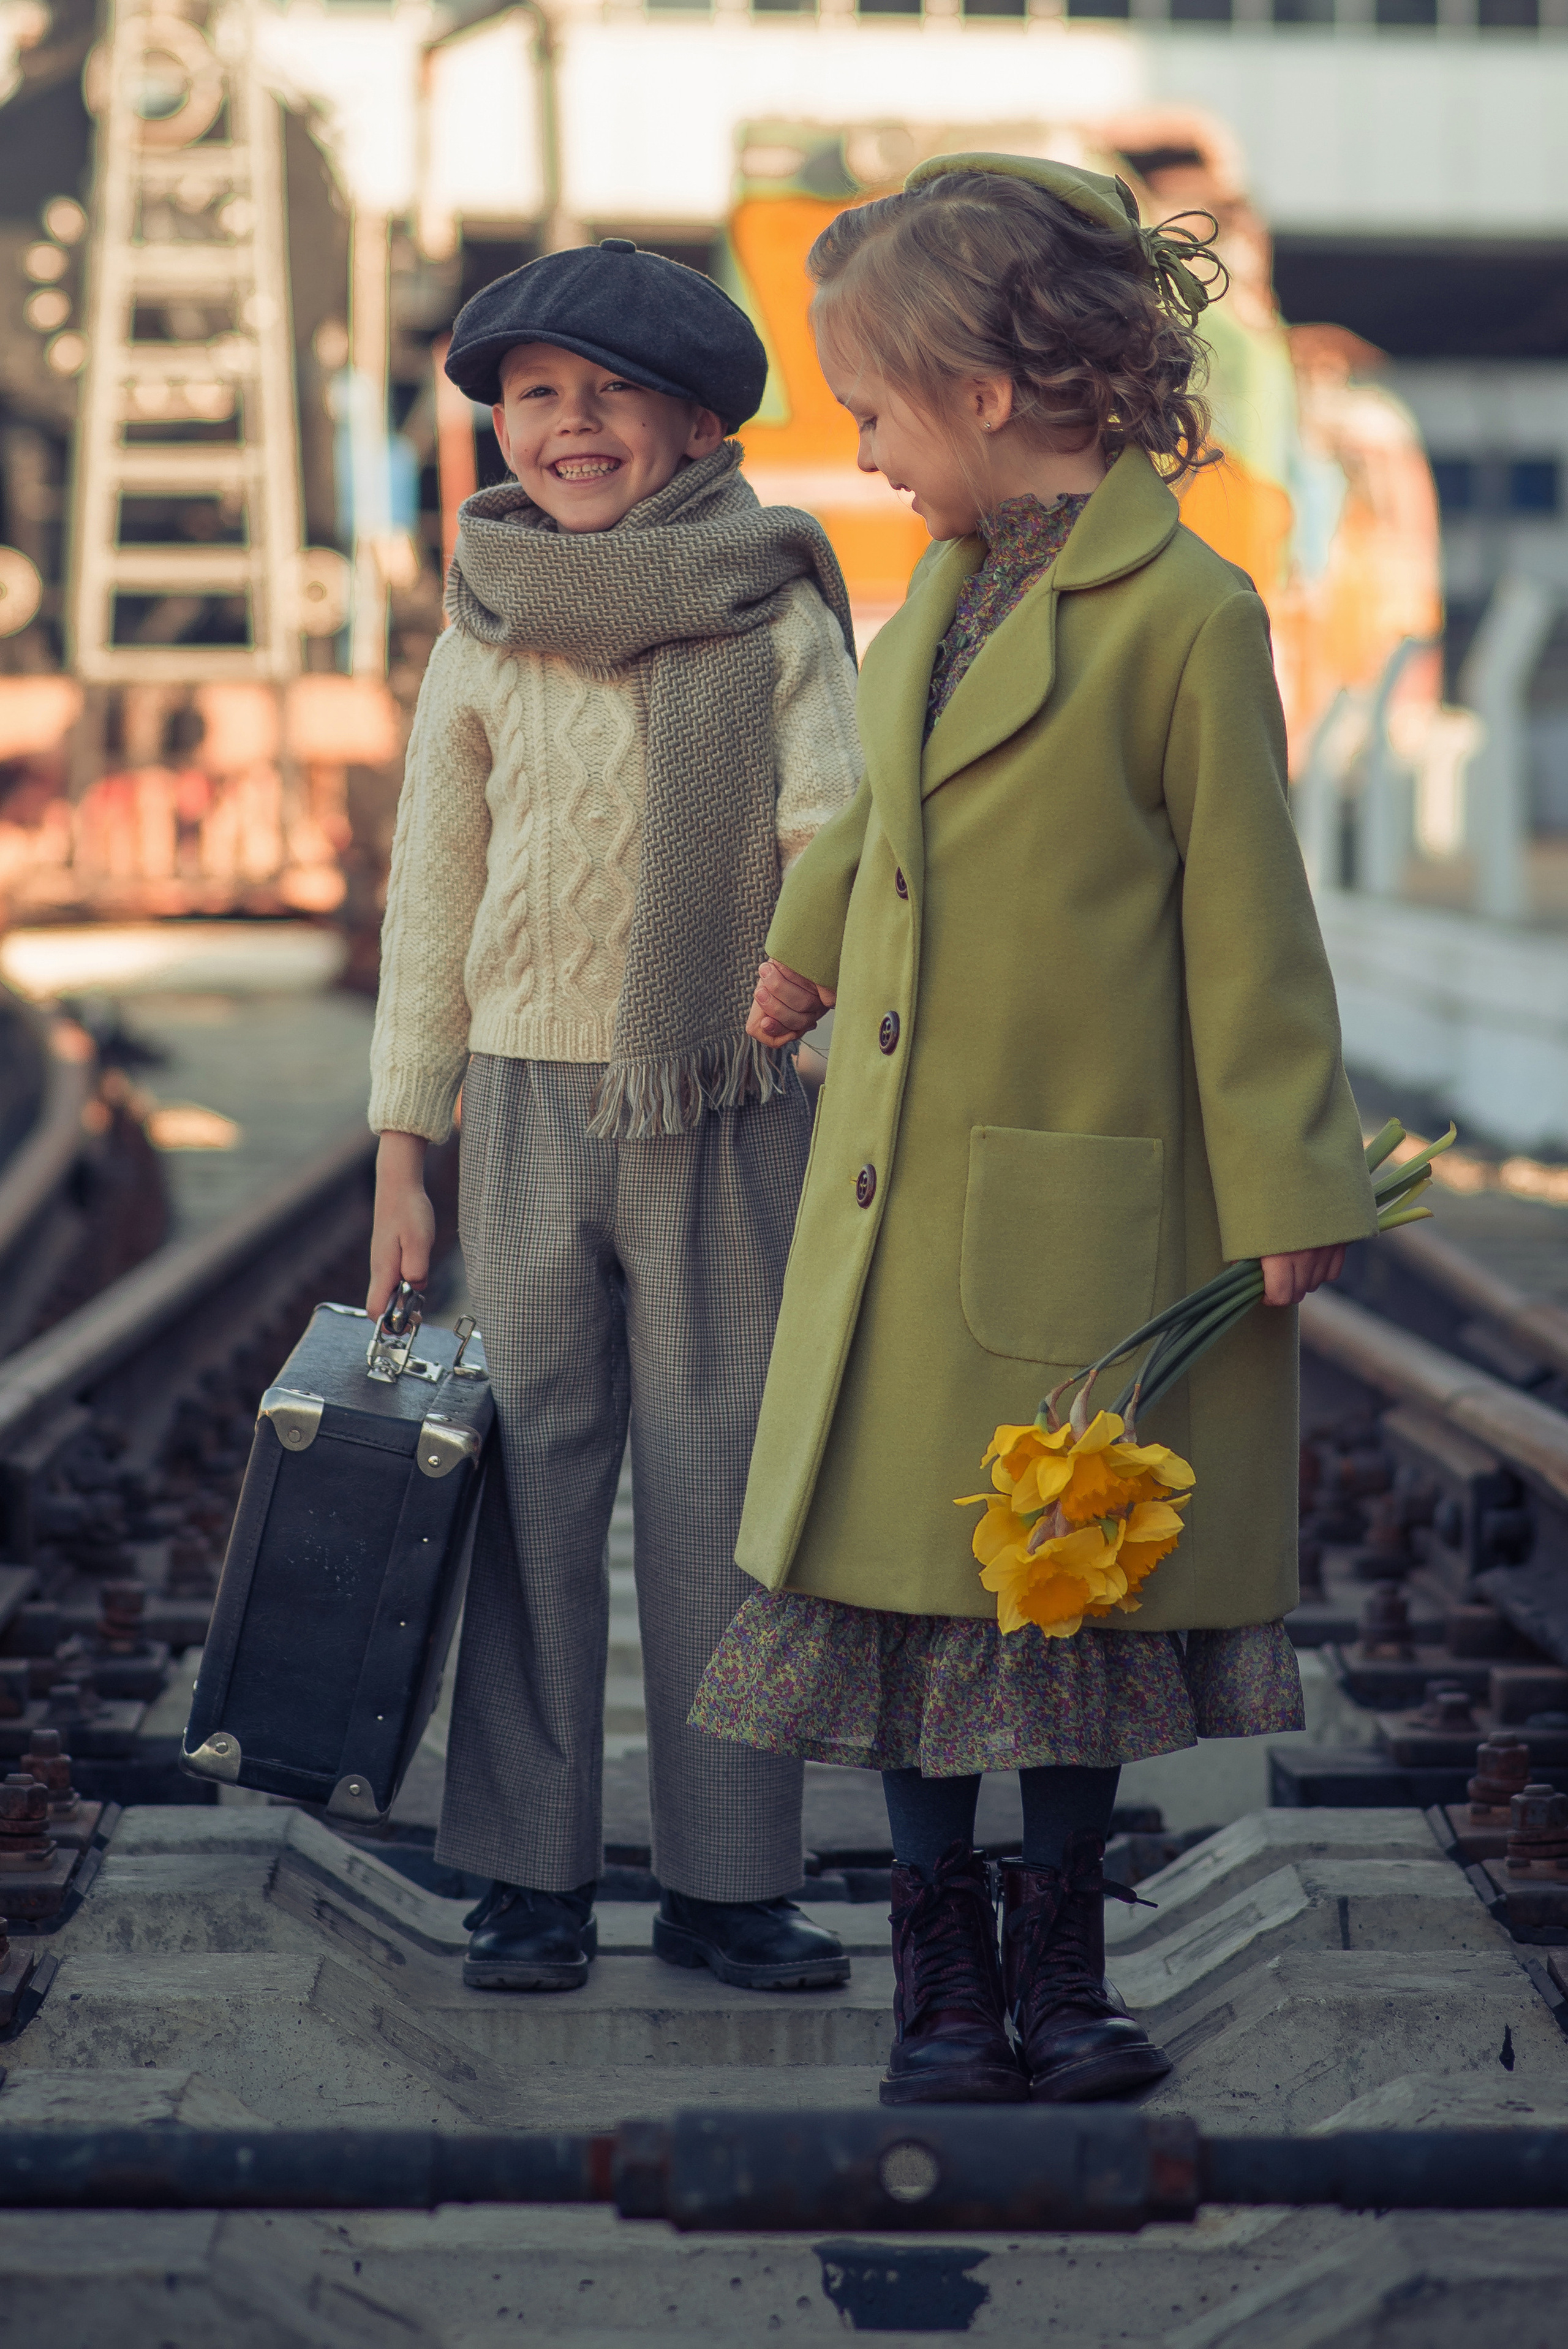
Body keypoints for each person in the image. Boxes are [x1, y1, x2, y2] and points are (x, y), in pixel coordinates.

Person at [690, 157, 1377, 2101]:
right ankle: (937, 1973)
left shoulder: (1186, 615)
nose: (867, 450)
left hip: (1071, 1206)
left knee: (1056, 1589)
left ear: (991, 395)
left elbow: (1252, 928)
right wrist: (803, 948)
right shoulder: (947, 593)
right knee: (909, 1600)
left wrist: (1292, 1181)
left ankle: (1062, 1965)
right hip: (901, 1195)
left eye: (879, 410)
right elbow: (891, 813)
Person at [367, 240, 862, 1996]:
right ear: (502, 430)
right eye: (534, 398)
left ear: (699, 421)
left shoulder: (776, 609)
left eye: (608, 394)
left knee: (726, 1483)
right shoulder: (486, 621)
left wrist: (799, 1007)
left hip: (728, 1095)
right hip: (519, 1098)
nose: (568, 429)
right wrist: (403, 1145)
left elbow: (836, 834)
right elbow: (434, 887)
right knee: (523, 1478)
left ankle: (734, 1881)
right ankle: (529, 1869)